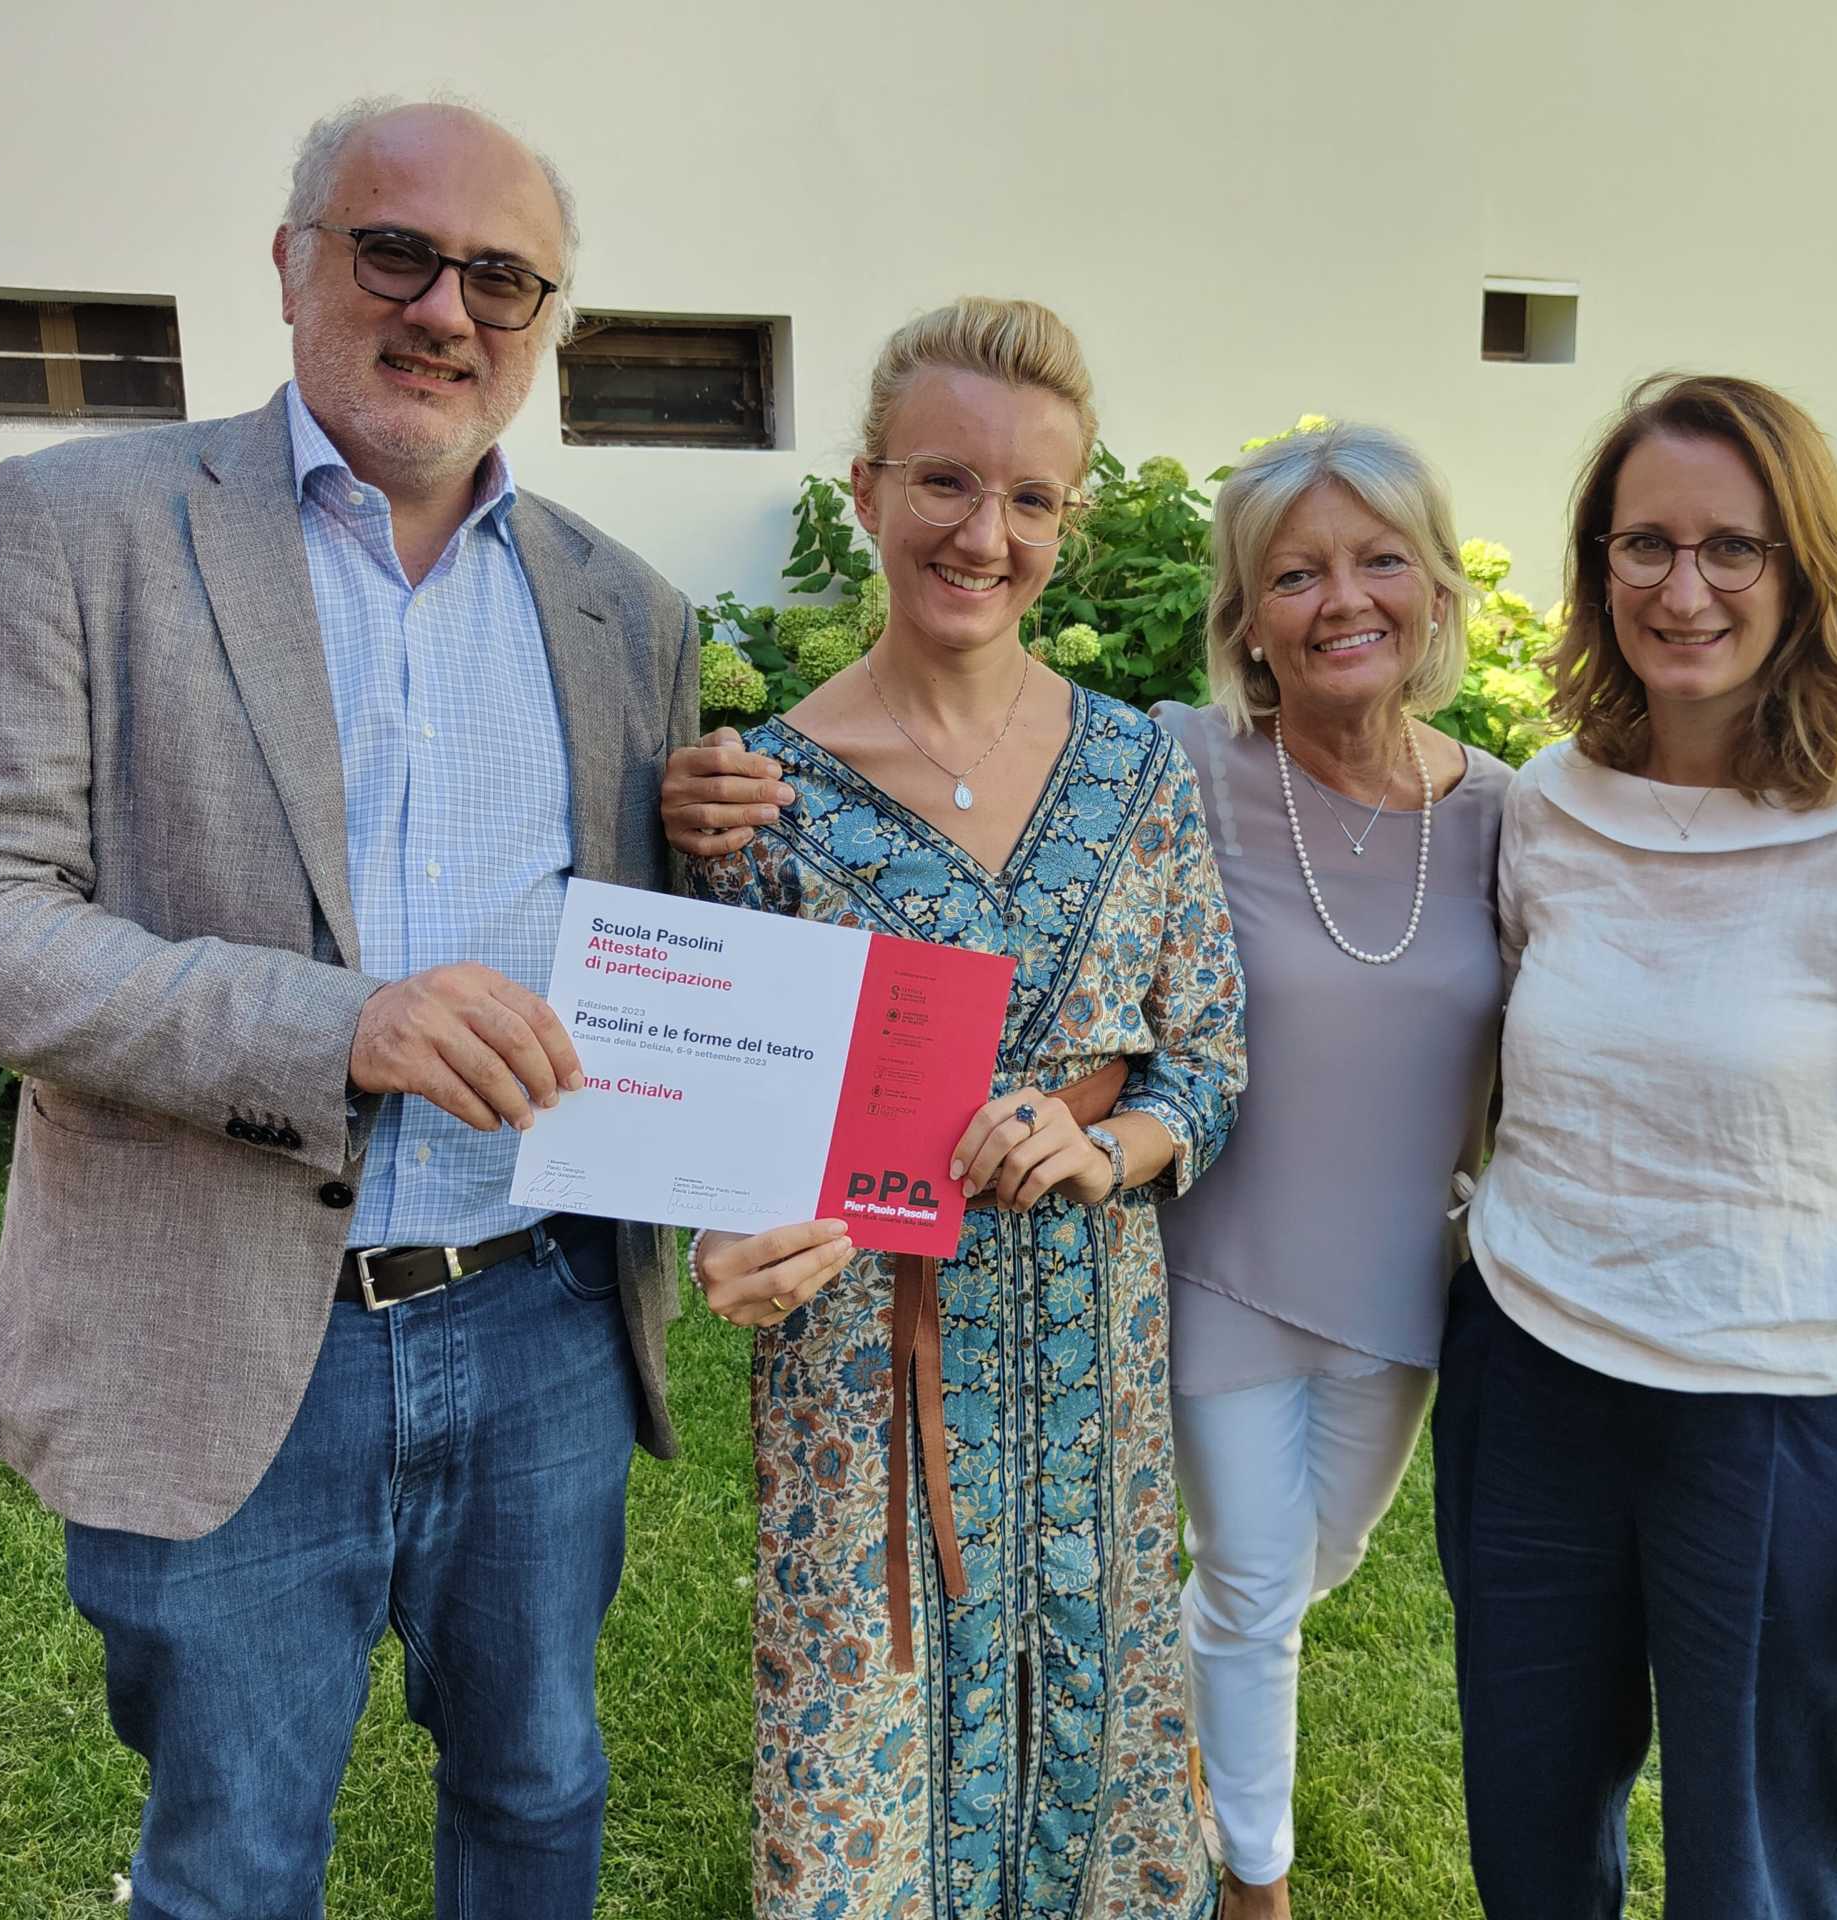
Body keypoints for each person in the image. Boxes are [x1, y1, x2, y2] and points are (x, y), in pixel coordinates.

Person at [0, 97, 698, 1919]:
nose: (446, 311)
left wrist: (726, 849)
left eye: (503, 277)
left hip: (542, 1318)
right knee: (236, 1857)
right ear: (292, 262)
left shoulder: (628, 611)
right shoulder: (78, 524)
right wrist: (335, 1026)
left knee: (541, 1787)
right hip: (224, 1327)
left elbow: (649, 961)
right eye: (396, 253)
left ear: (547, 316)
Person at [1434, 373, 1837, 1918]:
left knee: (1760, 1875)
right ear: (1599, 564)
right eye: (1644, 544)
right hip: (1534, 1387)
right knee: (1531, 1848)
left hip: (1780, 1421)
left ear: (1802, 570)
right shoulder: (1550, 809)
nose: (1682, 589)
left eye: (1732, 548)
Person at [669, 296, 1245, 1918]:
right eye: (943, 481)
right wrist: (724, 1241)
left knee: (1096, 1719)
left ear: (1067, 521)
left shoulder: (1136, 770)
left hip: (1090, 1355)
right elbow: (709, 1115)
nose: (984, 536)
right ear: (865, 490)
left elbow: (1210, 1054)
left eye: (1031, 498)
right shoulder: (760, 799)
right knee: (862, 1732)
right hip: (861, 1361)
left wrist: (1106, 1142)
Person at [1147, 424, 1508, 1919]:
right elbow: (968, 759)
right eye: (1294, 575)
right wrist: (749, 777)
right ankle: (1254, 1881)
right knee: (1250, 1581)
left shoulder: (1509, 811)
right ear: (1247, 619)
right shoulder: (1174, 763)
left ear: (1435, 589)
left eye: (1379, 561)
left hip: (1405, 1274)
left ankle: (1161, 1723)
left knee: (1313, 1560)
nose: (1342, 599)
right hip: (1219, 1256)